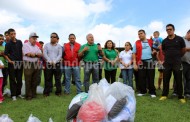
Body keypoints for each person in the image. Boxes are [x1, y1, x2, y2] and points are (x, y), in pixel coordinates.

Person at [159, 24, 186, 103]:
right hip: (167, 63)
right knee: (166, 79)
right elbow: (163, 51)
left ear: (174, 30)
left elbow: (183, 50)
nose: (169, 31)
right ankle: (164, 95)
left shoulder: (180, 39)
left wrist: (178, 56)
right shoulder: (164, 41)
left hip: (177, 62)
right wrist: (168, 56)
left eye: (170, 29)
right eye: (167, 29)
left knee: (178, 80)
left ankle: (180, 96)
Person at [133, 29, 157, 98]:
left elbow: (155, 49)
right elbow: (134, 53)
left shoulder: (151, 41)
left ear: (145, 34)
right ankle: (143, 91)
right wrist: (134, 63)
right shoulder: (137, 42)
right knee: (141, 77)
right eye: (138, 34)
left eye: (141, 33)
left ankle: (152, 92)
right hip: (141, 62)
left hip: (150, 61)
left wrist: (154, 52)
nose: (140, 35)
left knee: (151, 77)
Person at [4, 28, 24, 101]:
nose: (13, 35)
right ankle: (13, 95)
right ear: (9, 35)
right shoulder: (8, 44)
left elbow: (21, 51)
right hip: (12, 64)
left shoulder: (19, 42)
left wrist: (22, 59)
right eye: (11, 34)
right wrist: (10, 61)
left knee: (19, 79)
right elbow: (5, 54)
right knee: (12, 80)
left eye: (14, 33)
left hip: (20, 63)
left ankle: (18, 93)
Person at [23, 32, 42, 100]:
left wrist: (34, 55)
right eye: (34, 38)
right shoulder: (25, 45)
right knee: (28, 80)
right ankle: (28, 95)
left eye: (36, 39)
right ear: (30, 38)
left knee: (35, 80)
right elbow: (28, 54)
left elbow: (40, 54)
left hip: (36, 64)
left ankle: (33, 94)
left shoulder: (36, 46)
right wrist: (35, 55)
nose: (35, 40)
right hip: (28, 64)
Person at [181, 30, 190, 98]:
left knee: (189, 78)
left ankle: (187, 92)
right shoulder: (182, 40)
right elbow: (179, 49)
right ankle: (176, 92)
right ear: (188, 33)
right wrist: (187, 49)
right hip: (182, 62)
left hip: (189, 62)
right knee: (179, 77)